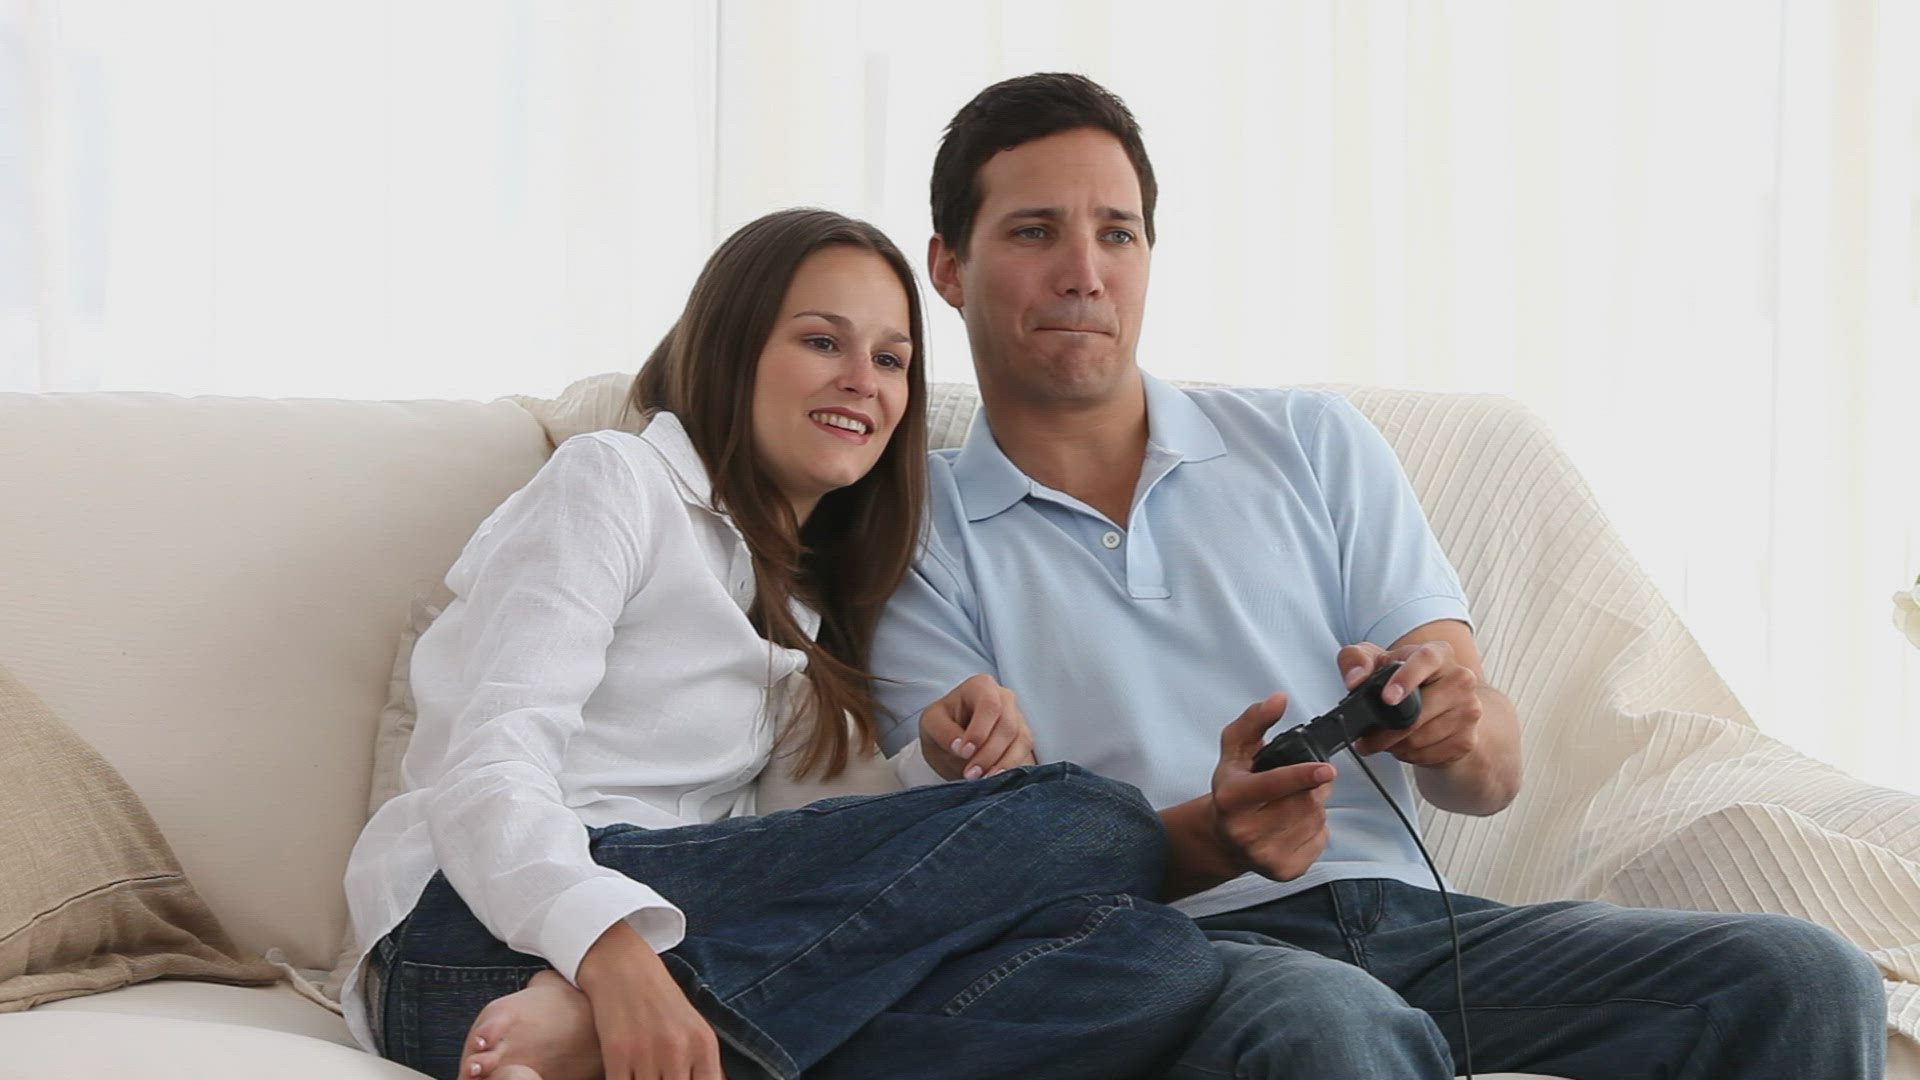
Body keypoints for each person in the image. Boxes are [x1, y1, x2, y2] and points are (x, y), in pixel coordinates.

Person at [869, 73, 1887, 1080]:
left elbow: (1488, 775)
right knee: (1335, 1025)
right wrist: (1217, 837)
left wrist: (1452, 725)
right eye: (1035, 232)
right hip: (1172, 956)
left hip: (1417, 929)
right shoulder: (908, 532)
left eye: (1118, 234)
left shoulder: (1312, 442)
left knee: (1806, 976)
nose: (1085, 273)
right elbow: (997, 872)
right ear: (949, 266)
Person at [341, 207, 1224, 1080]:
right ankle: (662, 1017)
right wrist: (613, 961)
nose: (863, 381)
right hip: (481, 932)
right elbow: (488, 770)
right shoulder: (614, 480)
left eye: (891, 359)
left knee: (1156, 961)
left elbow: (797, 850)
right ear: (734, 347)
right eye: (822, 342)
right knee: (1094, 819)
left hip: (654, 951)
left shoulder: (800, 588)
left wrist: (934, 765)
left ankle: (655, 1048)